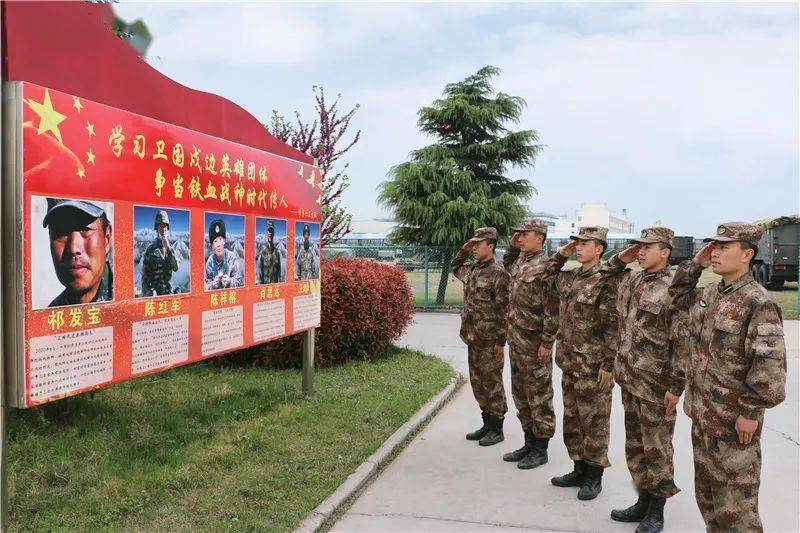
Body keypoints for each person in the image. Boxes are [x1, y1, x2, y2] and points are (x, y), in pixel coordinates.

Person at [669, 222, 786, 532]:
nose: (715, 251)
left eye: (724, 246)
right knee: (709, 502)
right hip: (704, 417)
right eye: (714, 246)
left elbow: (769, 367)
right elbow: (676, 294)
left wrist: (750, 412)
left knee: (737, 512)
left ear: (747, 254)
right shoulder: (710, 293)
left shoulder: (759, 302)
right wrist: (696, 263)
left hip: (735, 426)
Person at [602, 227, 688, 533]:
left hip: (656, 386)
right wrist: (623, 256)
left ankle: (657, 511)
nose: (640, 251)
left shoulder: (674, 287)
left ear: (665, 252)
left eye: (648, 247)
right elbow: (605, 273)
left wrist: (676, 387)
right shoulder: (632, 280)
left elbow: (681, 341)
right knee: (635, 446)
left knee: (657, 449)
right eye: (638, 246)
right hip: (629, 380)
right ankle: (642, 500)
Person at [541, 226, 623, 500]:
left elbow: (613, 326)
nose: (577, 246)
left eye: (584, 243)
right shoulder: (571, 277)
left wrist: (608, 365)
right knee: (573, 420)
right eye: (575, 242)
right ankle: (578, 467)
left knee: (594, 422)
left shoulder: (605, 281)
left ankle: (594, 475)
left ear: (598, 249)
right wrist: (562, 253)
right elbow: (544, 276)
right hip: (569, 362)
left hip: (593, 366)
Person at [501, 219, 558, 469]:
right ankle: (529, 440)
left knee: (539, 396)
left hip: (536, 345)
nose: (520, 238)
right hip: (516, 342)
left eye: (525, 234)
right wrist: (512, 247)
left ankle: (541, 448)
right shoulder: (520, 262)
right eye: (518, 235)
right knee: (521, 394)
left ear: (540, 238)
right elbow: (506, 264)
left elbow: (552, 309)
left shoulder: (546, 266)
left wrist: (546, 342)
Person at [451, 227, 511, 446]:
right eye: (473, 244)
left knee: (492, 383)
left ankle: (497, 427)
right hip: (472, 337)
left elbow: (504, 311)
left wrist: (500, 342)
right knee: (478, 382)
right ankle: (486, 423)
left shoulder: (499, 274)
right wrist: (463, 249)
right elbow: (455, 267)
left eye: (478, 244)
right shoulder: (473, 270)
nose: (474, 248)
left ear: (491, 246)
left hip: (490, 340)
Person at [44, 197, 113, 307]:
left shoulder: (134, 301)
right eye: (61, 233)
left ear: (107, 238)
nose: (73, 249)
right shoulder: (53, 317)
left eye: (85, 230)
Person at [141, 209, 179, 296]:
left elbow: (176, 267)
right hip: (155, 292)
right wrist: (146, 294)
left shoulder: (171, 249)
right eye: (161, 226)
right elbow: (145, 276)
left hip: (168, 290)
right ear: (156, 228)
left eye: (165, 226)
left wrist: (168, 248)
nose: (163, 229)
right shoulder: (150, 250)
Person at [205, 218, 242, 290]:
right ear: (212, 245)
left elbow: (239, 281)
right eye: (215, 241)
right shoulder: (210, 261)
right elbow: (206, 284)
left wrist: (230, 282)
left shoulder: (231, 257)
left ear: (224, 241)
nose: (218, 244)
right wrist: (213, 285)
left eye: (220, 240)